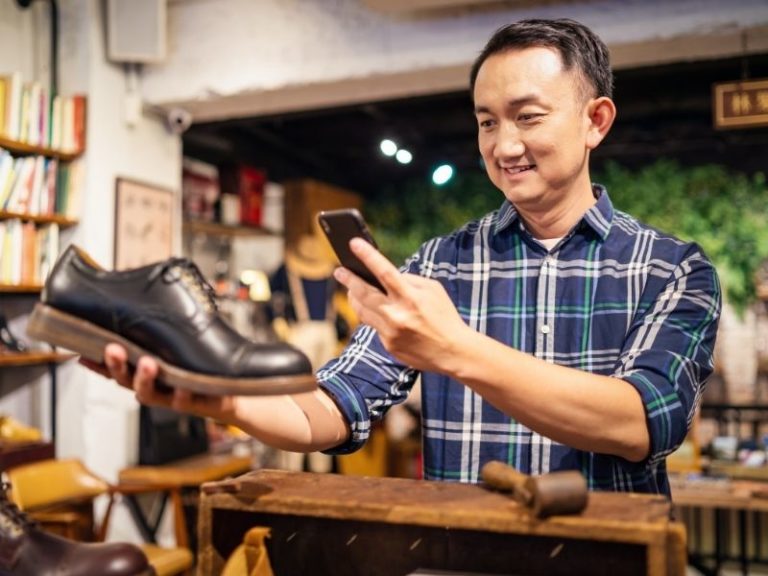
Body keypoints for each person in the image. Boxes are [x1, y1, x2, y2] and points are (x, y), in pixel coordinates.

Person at [97, 18, 721, 496]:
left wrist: (454, 348)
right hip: (458, 556)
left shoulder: (670, 269)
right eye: (485, 122)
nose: (504, 145)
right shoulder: (441, 264)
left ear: (596, 120)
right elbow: (335, 404)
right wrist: (222, 402)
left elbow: (643, 422)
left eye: (528, 117)